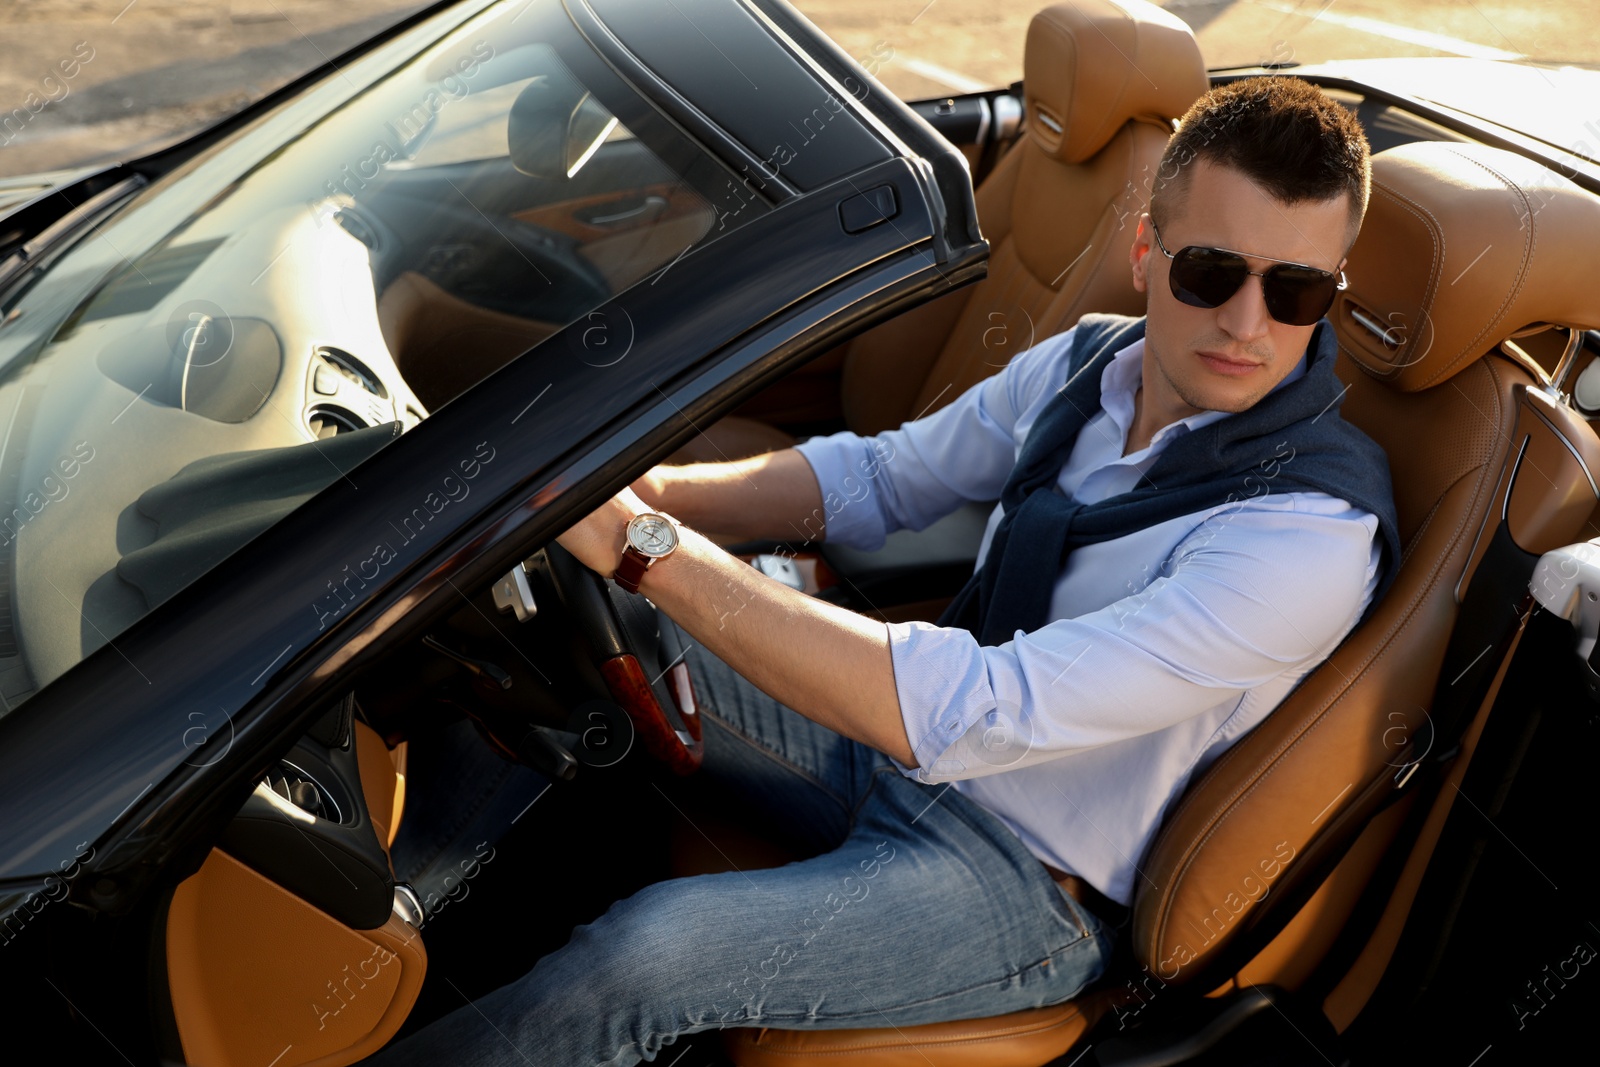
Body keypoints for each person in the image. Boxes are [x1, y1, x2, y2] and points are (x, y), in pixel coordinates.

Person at [369, 75, 1400, 1067]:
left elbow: (986, 706)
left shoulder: (1301, 531)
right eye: (1211, 273)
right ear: (1145, 251)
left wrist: (649, 550)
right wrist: (642, 495)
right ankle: (370, 942)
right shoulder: (1092, 363)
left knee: (649, 952)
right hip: (899, 755)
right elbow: (885, 477)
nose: (1247, 322)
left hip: (1020, 882)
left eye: (1297, 290)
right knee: (537, 619)